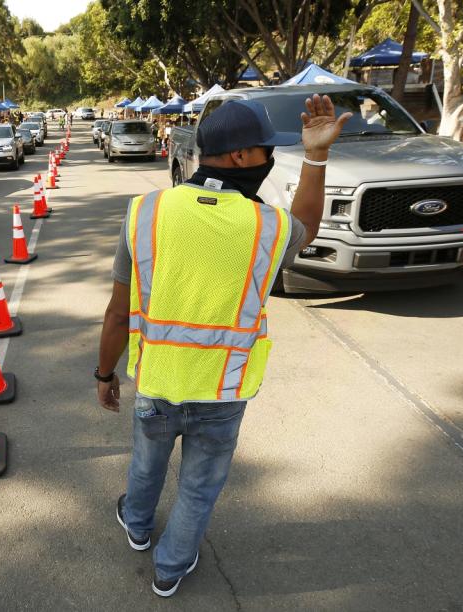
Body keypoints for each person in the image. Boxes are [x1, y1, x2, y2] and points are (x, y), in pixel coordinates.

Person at [96, 95, 351, 598]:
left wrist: (105, 375)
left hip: (157, 384)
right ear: (239, 157)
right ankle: (169, 569)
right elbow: (309, 224)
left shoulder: (146, 212)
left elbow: (117, 312)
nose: (269, 158)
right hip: (223, 391)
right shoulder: (268, 226)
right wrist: (317, 158)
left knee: (145, 465)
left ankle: (139, 525)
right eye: (265, 150)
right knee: (198, 487)